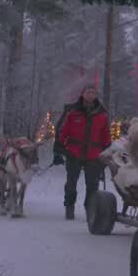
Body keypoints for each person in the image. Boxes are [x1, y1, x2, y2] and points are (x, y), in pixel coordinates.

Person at [54, 84, 111, 220]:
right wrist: (59, 147)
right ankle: (69, 206)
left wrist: (107, 151)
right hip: (74, 152)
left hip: (94, 154)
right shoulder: (73, 112)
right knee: (71, 183)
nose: (90, 95)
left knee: (92, 184)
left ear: (95, 95)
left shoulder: (102, 114)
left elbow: (105, 134)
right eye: (88, 92)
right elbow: (64, 131)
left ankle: (90, 209)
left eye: (93, 92)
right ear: (83, 94)